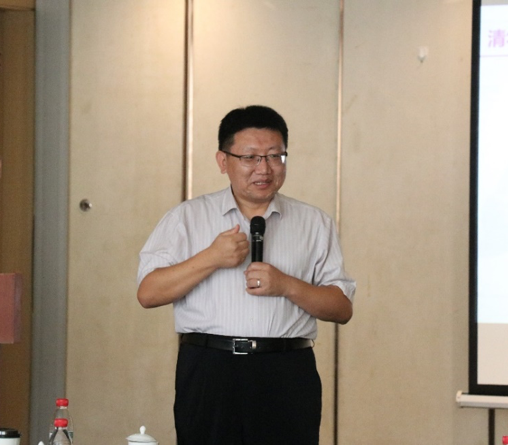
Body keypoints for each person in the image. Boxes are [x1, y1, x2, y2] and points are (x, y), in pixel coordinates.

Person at [136, 105, 355, 445]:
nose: (264, 168)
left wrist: (286, 285)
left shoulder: (314, 222)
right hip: (210, 370)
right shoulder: (187, 218)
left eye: (275, 156)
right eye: (250, 157)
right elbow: (148, 293)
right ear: (223, 161)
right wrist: (211, 258)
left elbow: (341, 308)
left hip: (287, 371)